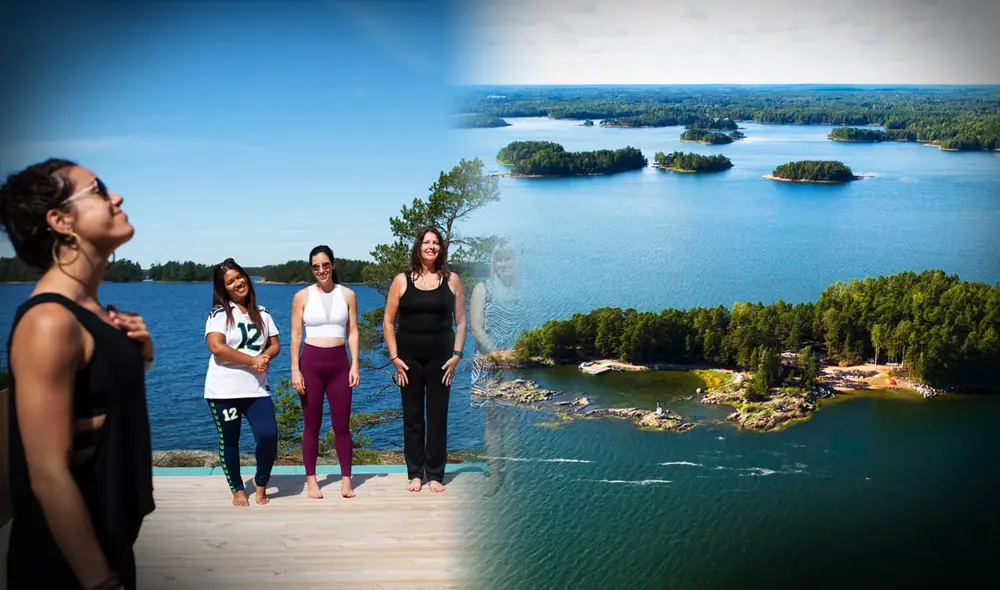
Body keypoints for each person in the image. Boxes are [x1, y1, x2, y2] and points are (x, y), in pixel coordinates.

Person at [1, 158, 155, 590]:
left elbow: (98, 409)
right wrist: (101, 582)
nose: (117, 197)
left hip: (111, 546)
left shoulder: (92, 313)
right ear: (61, 219)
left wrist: (141, 357)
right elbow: (47, 475)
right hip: (66, 570)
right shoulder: (49, 322)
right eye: (99, 189)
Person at [383, 227, 466, 492]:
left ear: (441, 249)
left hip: (441, 361)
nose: (431, 247)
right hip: (408, 361)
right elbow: (387, 321)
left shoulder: (451, 280)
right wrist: (394, 357)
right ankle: (415, 473)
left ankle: (435, 475)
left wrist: (457, 355)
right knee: (413, 417)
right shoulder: (402, 280)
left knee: (438, 416)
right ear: (418, 246)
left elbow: (462, 321)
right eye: (427, 242)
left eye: (436, 243)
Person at [204, 258, 280, 507]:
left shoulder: (263, 313)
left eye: (239, 277)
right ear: (223, 288)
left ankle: (261, 483)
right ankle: (237, 489)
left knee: (268, 435)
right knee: (230, 441)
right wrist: (250, 360)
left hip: (256, 388)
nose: (238, 283)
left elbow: (274, 343)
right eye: (230, 281)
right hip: (224, 390)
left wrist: (264, 357)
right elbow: (216, 347)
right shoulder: (219, 313)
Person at [290, 245, 361, 499]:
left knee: (342, 425)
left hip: (339, 364)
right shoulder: (302, 297)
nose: (321, 270)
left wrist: (355, 363)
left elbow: (353, 331)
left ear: (333, 265)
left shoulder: (348, 295)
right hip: (311, 364)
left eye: (325, 265)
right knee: (312, 425)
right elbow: (296, 335)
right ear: (311, 269)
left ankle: (346, 479)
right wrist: (295, 369)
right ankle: (311, 480)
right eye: (316, 266)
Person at [469, 241, 525, 497]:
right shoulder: (483, 289)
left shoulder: (522, 290)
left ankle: (513, 478)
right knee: (493, 424)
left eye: (508, 259)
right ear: (494, 263)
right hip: (488, 365)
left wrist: (518, 355)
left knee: (513, 424)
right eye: (499, 260)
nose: (504, 265)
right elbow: (476, 328)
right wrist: (497, 354)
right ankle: (495, 479)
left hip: (516, 363)